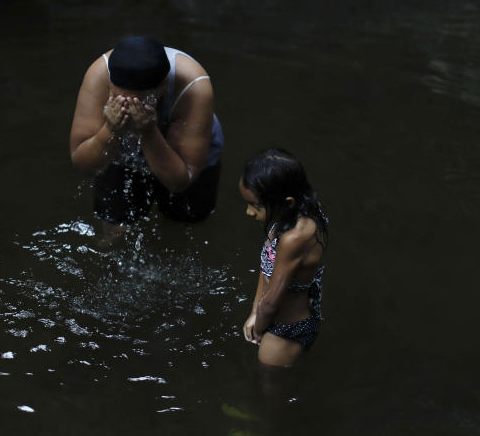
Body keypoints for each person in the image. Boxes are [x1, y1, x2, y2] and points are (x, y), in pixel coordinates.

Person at [69, 36, 223, 228]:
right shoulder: (99, 75)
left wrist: (149, 131)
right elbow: (82, 162)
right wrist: (110, 129)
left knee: (186, 221)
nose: (128, 107)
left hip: (187, 148)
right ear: (110, 84)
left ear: (163, 87)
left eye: (139, 101)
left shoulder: (194, 87)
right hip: (119, 143)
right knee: (114, 222)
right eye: (118, 98)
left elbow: (180, 181)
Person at [239, 149, 329, 367]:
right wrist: (254, 311)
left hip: (287, 330)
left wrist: (259, 327)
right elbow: (266, 266)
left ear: (287, 202)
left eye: (256, 206)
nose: (248, 212)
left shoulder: (295, 238)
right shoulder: (291, 215)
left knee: (271, 390)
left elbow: (271, 304)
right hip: (271, 317)